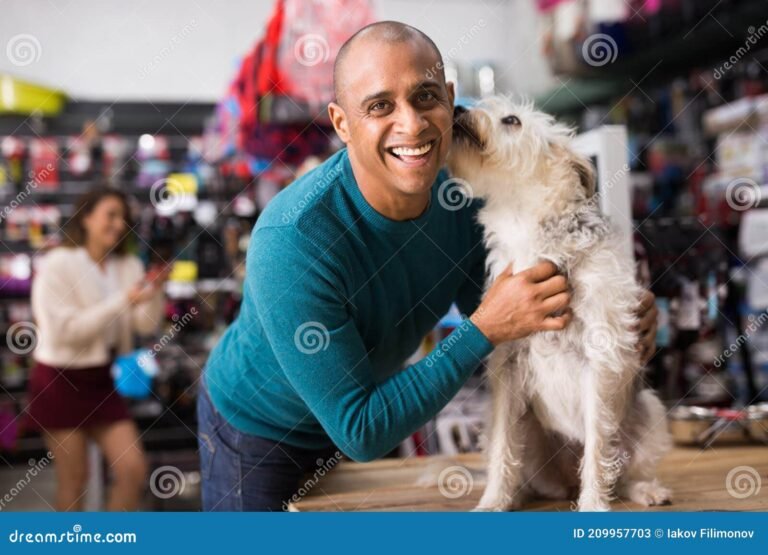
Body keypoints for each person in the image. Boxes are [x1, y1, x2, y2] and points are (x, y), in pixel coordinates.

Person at [198, 21, 659, 511]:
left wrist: (609, 318)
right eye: (380, 106)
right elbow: (362, 429)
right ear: (342, 123)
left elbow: (516, 313)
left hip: (356, 418)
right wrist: (482, 328)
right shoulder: (293, 240)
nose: (413, 124)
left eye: (425, 97)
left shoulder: (467, 186)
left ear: (450, 100)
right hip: (260, 431)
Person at [26, 187, 167, 511]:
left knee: (132, 469)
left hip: (102, 380)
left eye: (123, 218)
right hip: (59, 380)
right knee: (74, 479)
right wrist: (124, 300)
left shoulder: (128, 264)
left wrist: (156, 291)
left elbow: (143, 326)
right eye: (111, 215)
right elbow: (64, 332)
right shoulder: (58, 264)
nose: (119, 224)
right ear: (86, 218)